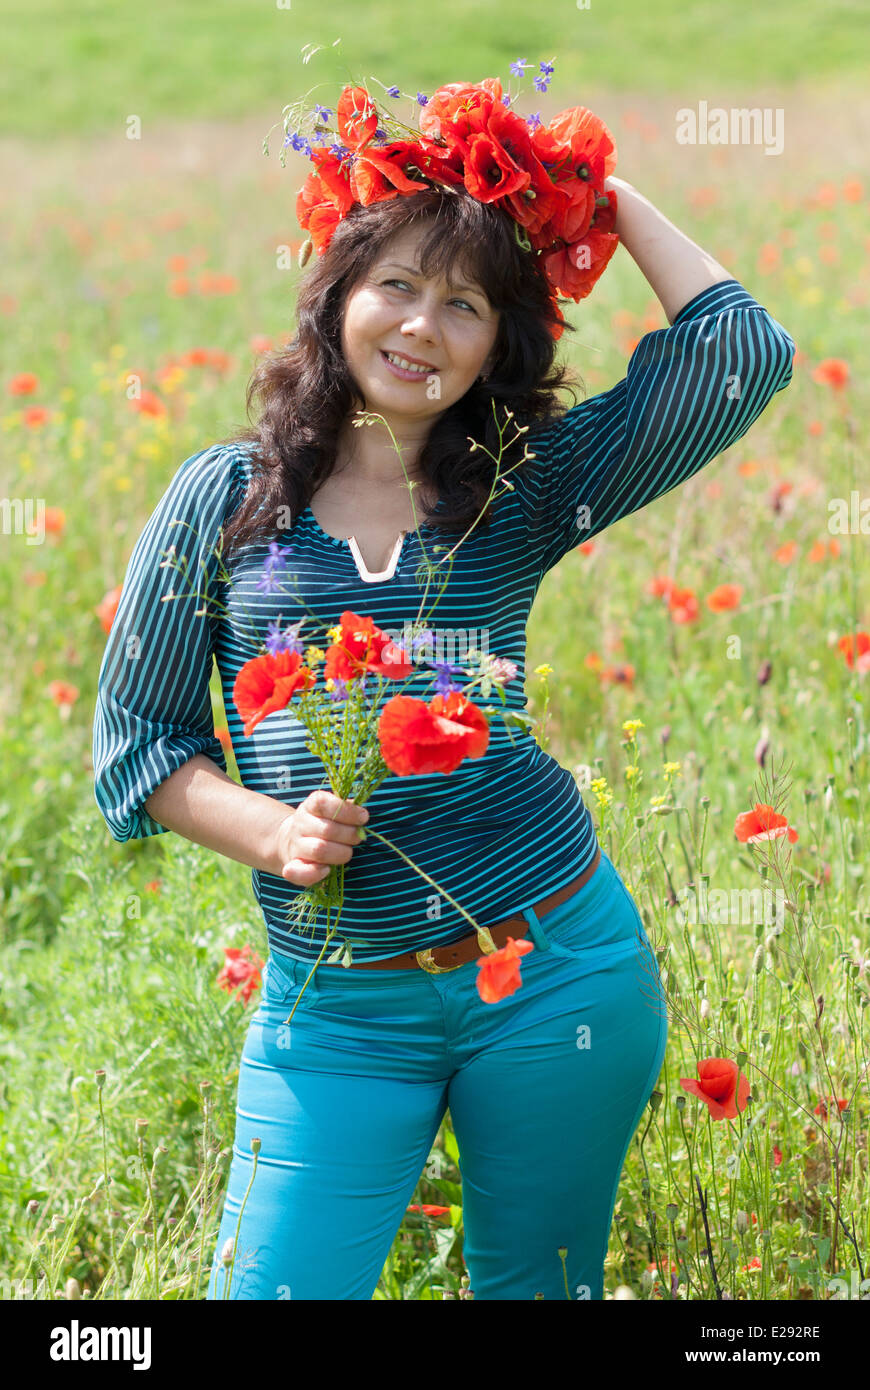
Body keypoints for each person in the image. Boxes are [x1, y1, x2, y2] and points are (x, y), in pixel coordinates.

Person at [92, 103, 795, 1299]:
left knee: (539, 1288)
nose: (423, 326)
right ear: (337, 291)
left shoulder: (521, 488)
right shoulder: (225, 497)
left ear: (497, 343)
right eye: (401, 283)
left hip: (554, 972)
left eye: (466, 304)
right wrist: (271, 831)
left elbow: (741, 354)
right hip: (337, 1014)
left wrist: (584, 198)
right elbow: (139, 743)